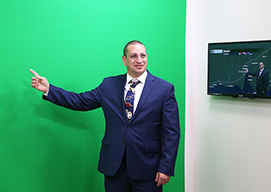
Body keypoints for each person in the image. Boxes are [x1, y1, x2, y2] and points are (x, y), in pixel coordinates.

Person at [30, 40, 180, 192]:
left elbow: (171, 133)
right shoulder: (109, 85)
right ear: (124, 60)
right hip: (114, 167)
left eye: (143, 55)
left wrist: (166, 167)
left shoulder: (164, 89)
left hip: (148, 168)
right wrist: (49, 89)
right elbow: (81, 101)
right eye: (133, 56)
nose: (139, 60)